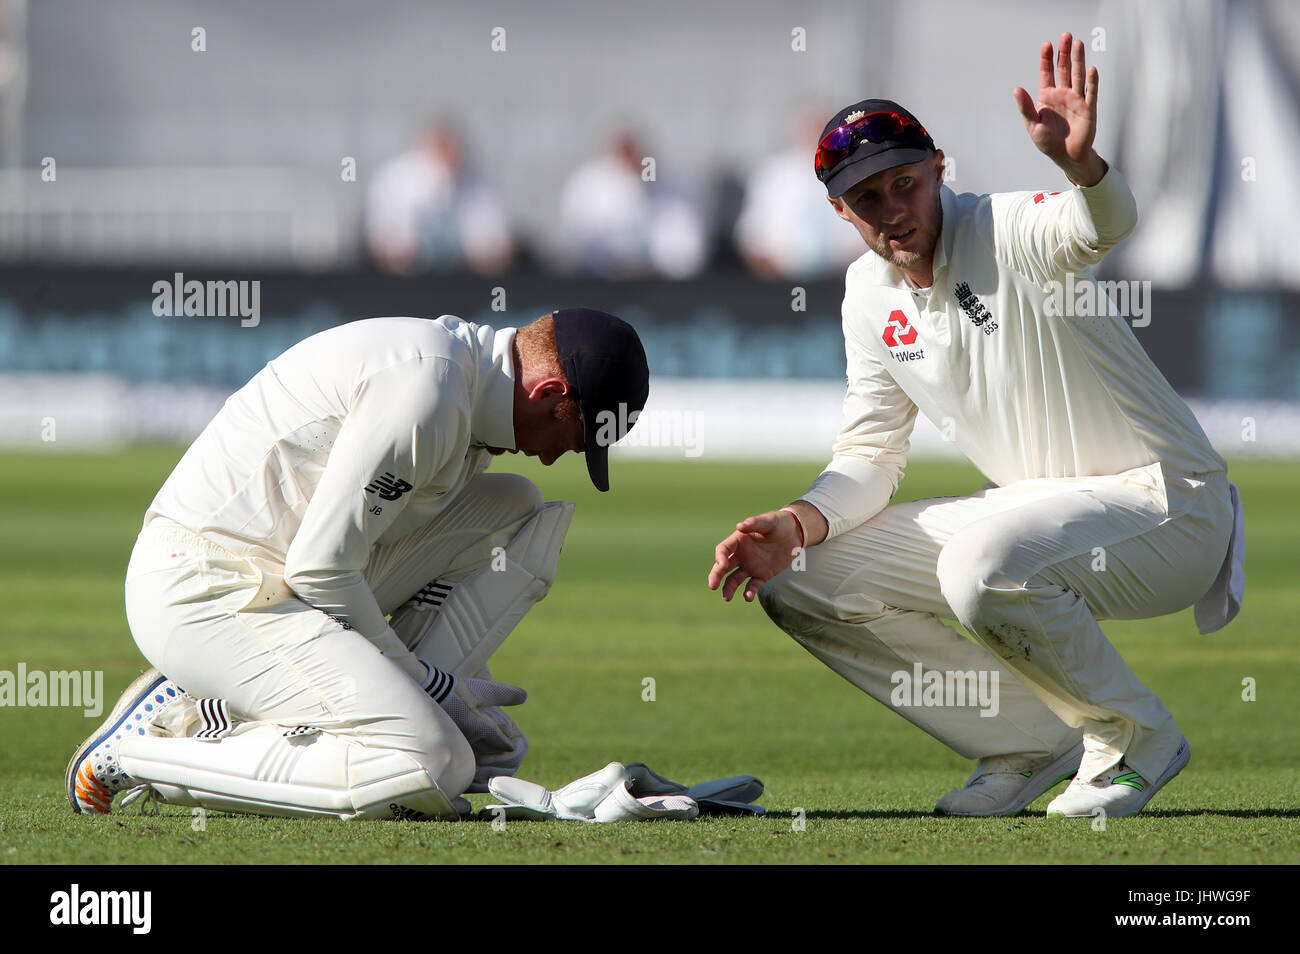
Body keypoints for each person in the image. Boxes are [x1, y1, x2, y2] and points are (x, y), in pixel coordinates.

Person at [708, 34, 1245, 819]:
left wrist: (1082, 169)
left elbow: (1101, 226)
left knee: (978, 565)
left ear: (939, 168)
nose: (894, 212)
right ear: (839, 210)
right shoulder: (867, 295)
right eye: (868, 200)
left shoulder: (1009, 229)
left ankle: (1135, 737)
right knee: (802, 575)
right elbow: (867, 455)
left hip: (1170, 504)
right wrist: (795, 523)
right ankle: (1031, 741)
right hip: (1037, 511)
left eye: (906, 184)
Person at [69, 308, 649, 820]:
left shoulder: (462, 383)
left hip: (276, 580)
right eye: (567, 440)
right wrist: (427, 686)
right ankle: (152, 749)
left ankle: (373, 716)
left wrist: (427, 692)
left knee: (521, 510)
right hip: (204, 589)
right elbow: (321, 570)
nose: (551, 457)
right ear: (548, 393)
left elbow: (332, 559)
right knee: (433, 763)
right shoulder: (430, 393)